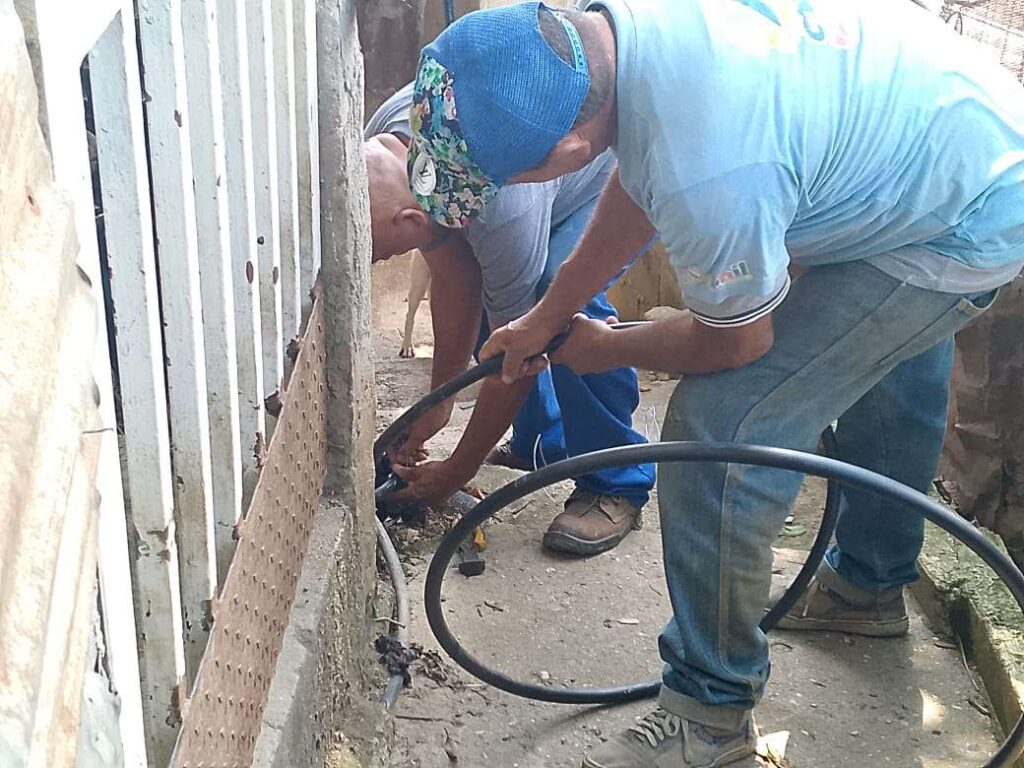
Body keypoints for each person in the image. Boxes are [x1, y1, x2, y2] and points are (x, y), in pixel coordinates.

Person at [406, 2, 1024, 766]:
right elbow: (640, 181)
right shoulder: (626, 39)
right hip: (945, 133)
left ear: (569, 148)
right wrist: (551, 314)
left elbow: (735, 341)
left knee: (720, 434)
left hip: (961, 217)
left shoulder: (713, 166)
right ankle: (866, 591)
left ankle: (710, 717)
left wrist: (607, 346)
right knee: (883, 368)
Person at [364, 83, 656, 555]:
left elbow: (522, 349)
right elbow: (455, 275)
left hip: (614, 173)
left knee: (556, 299)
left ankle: (614, 481)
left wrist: (455, 472)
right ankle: (541, 443)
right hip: (534, 183)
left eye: (378, 255)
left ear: (409, 223)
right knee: (500, 288)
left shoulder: (502, 208)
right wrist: (437, 405)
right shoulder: (390, 133)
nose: (379, 264)